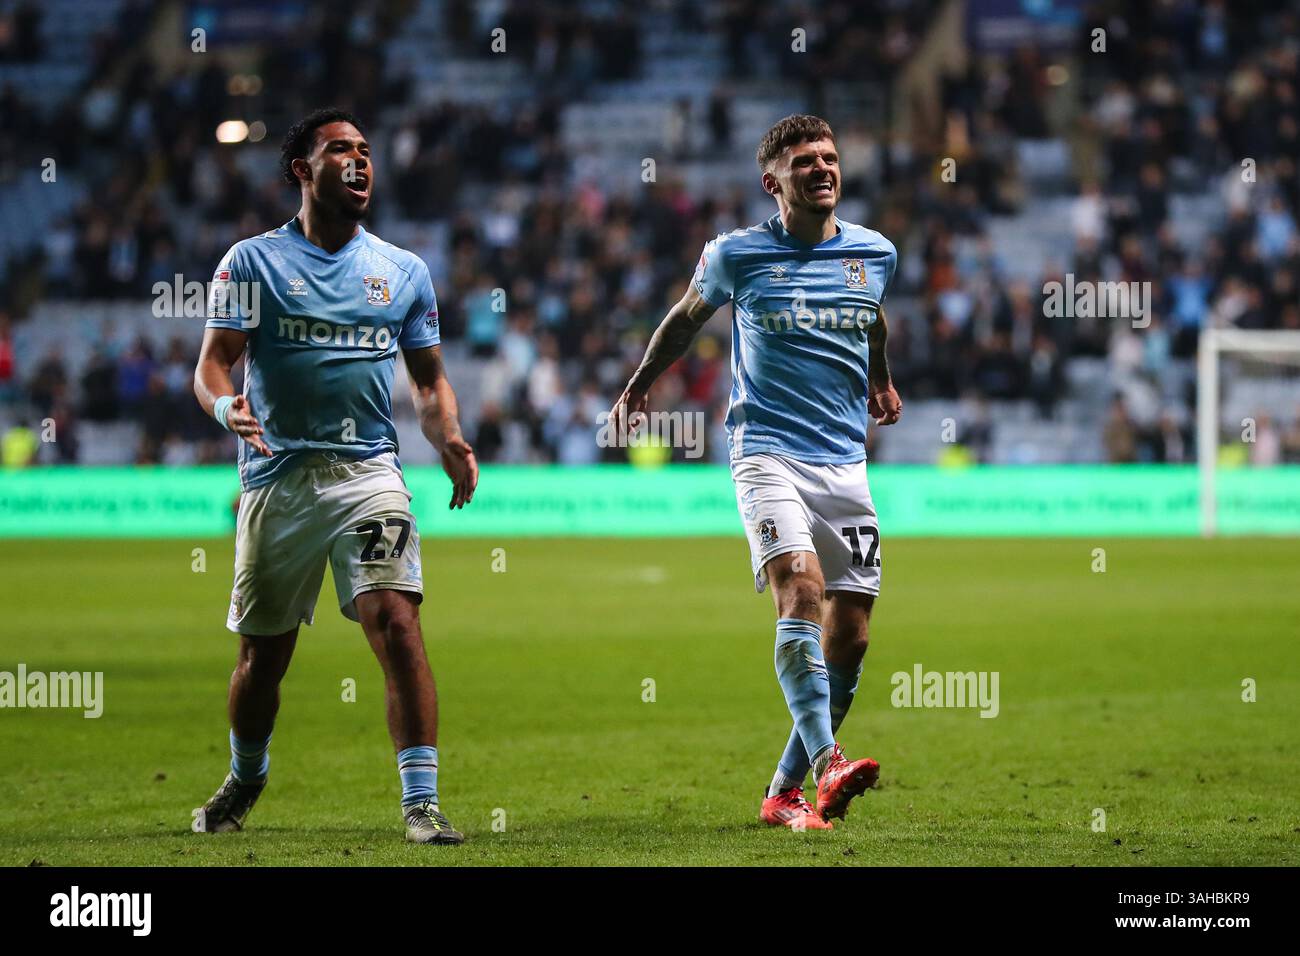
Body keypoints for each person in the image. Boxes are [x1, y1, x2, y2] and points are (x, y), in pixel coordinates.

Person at [192, 108, 478, 845]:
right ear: (302, 169)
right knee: (262, 661)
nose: (359, 162)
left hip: (368, 474)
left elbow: (428, 379)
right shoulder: (250, 263)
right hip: (277, 479)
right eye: (340, 150)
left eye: (366, 151)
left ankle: (421, 803)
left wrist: (447, 436)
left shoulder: (403, 271)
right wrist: (226, 406)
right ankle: (247, 773)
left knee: (399, 624)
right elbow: (212, 362)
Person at [610, 115, 901, 830]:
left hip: (845, 462)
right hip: (765, 450)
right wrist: (640, 384)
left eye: (830, 157)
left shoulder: (874, 252)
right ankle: (831, 759)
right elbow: (685, 318)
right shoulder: (737, 255)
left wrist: (882, 381)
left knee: (853, 634)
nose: (823, 168)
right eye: (805, 161)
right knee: (799, 587)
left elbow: (872, 320)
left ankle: (783, 792)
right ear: (773, 181)